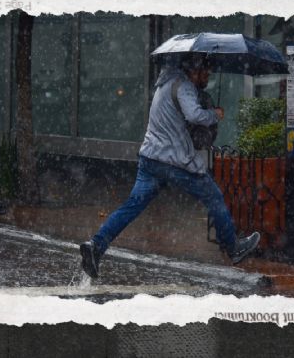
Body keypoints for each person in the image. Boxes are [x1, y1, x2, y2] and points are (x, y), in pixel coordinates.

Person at [80, 56, 260, 278]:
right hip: (174, 161)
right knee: (213, 196)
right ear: (194, 70)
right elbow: (193, 114)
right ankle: (234, 248)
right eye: (206, 72)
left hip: (150, 159)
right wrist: (215, 114)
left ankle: (96, 246)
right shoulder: (184, 86)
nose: (208, 76)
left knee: (132, 206)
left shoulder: (165, 83)